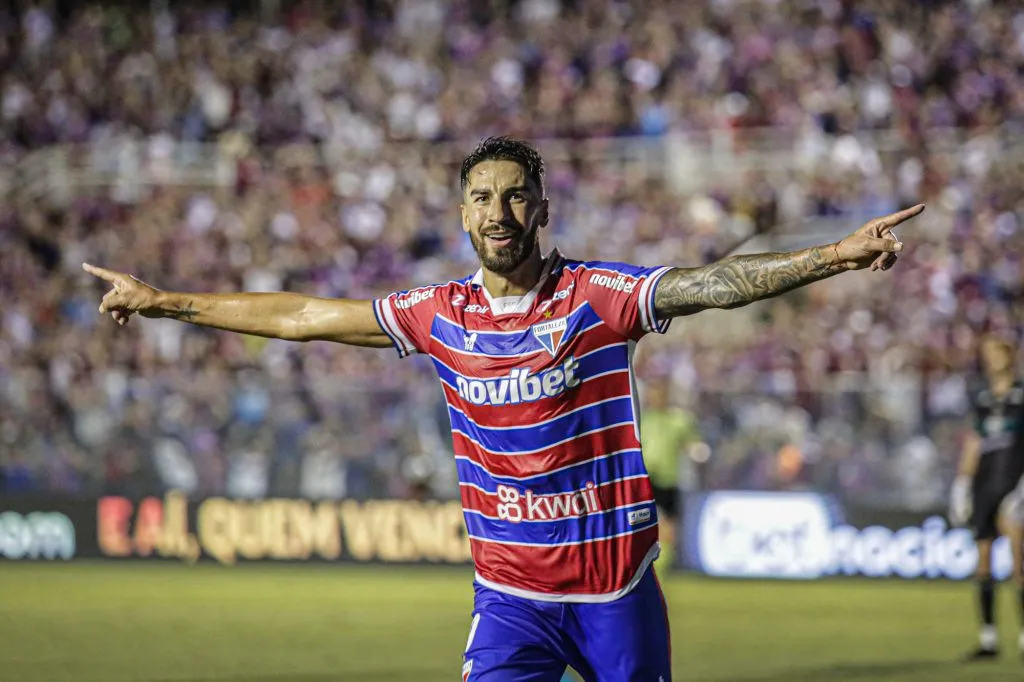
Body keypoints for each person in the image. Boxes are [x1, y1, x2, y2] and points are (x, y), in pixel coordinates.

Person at [84, 137, 922, 681]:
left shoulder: (598, 297)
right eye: (482, 197)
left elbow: (711, 284)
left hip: (614, 590)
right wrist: (166, 302)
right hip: (509, 595)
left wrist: (835, 256)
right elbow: (304, 317)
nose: (498, 212)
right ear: (462, 213)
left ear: (542, 209)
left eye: (516, 196)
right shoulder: (438, 312)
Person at [949, 334, 1024, 661]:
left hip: (1014, 482)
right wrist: (962, 484)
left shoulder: (1021, 396)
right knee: (983, 560)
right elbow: (974, 442)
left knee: (1018, 560)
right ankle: (988, 639)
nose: (991, 360)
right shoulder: (981, 398)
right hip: (984, 484)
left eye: (996, 353)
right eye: (987, 354)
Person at [640, 376, 701, 573]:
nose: (655, 398)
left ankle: (665, 561)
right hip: (645, 477)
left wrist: (697, 451)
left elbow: (692, 444)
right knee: (643, 519)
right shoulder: (644, 419)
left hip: (668, 477)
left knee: (668, 523)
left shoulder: (679, 420)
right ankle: (644, 560)